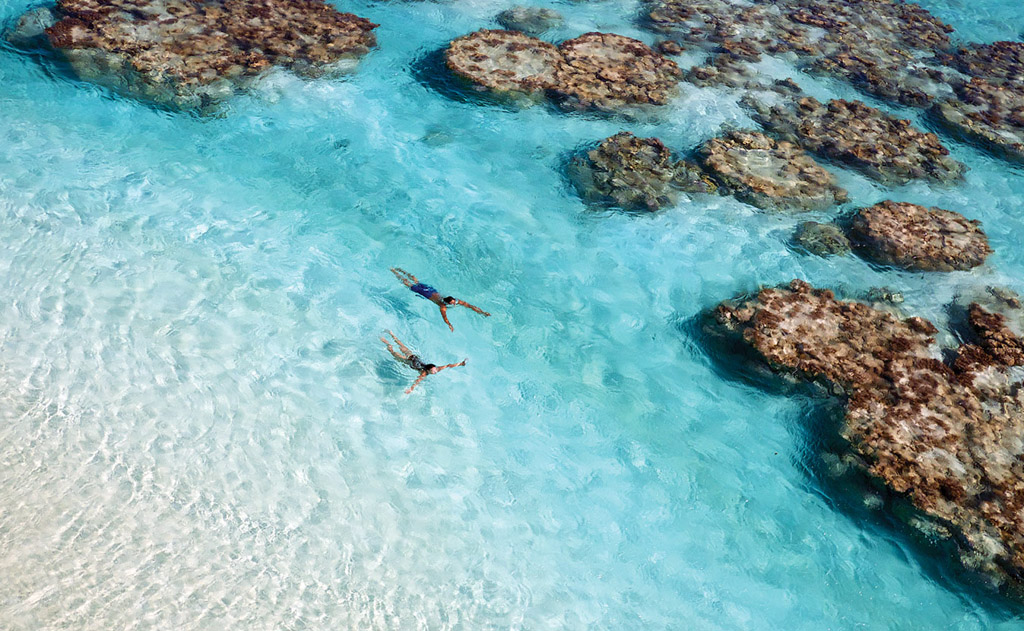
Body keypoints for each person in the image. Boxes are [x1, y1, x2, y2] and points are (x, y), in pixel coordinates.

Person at [391, 267, 490, 331]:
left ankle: (399, 269)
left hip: (431, 289)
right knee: (408, 283)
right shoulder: (442, 306)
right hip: (426, 294)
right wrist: (449, 324)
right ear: (448, 303)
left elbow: (470, 306)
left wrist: (482, 312)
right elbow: (444, 317)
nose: (455, 303)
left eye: (454, 302)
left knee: (414, 279)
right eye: (453, 303)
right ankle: (395, 272)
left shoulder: (455, 300)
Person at [381, 330, 467, 394]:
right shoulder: (424, 373)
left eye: (435, 370)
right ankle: (387, 343)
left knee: (401, 345)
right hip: (409, 361)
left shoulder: (437, 368)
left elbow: (448, 365)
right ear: (429, 370)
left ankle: (391, 334)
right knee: (393, 353)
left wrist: (460, 364)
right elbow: (418, 380)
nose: (435, 371)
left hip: (414, 357)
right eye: (433, 371)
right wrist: (411, 389)